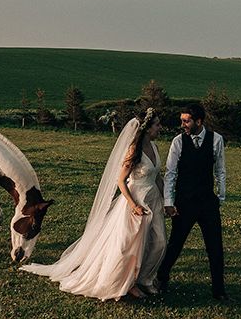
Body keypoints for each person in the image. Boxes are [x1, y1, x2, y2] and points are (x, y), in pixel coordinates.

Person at [21, 109, 167, 301]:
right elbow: (121, 181)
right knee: (129, 245)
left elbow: (158, 176)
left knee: (160, 242)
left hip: (154, 199)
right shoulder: (134, 150)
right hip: (135, 200)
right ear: (147, 128)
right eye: (156, 124)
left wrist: (166, 201)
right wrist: (133, 205)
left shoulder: (155, 148)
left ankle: (145, 278)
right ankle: (128, 283)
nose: (160, 127)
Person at [156, 102, 229, 301]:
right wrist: (169, 202)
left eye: (186, 121)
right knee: (176, 243)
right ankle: (162, 277)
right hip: (184, 202)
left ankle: (219, 291)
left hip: (207, 202)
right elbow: (171, 173)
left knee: (215, 247)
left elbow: (220, 170)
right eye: (182, 120)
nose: (183, 124)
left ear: (199, 121)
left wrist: (220, 197)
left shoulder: (216, 140)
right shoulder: (178, 142)